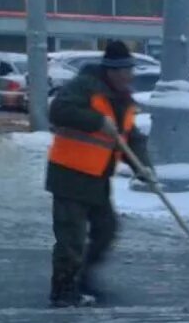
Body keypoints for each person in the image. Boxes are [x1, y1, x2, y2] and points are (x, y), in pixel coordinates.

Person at [44, 40, 151, 308]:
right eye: (127, 71)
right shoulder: (84, 87)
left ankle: (83, 277)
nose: (131, 76)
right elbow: (58, 111)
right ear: (113, 71)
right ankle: (64, 290)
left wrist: (143, 167)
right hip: (69, 174)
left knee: (106, 229)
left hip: (98, 178)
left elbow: (130, 137)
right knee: (72, 238)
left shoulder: (123, 98)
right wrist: (96, 121)